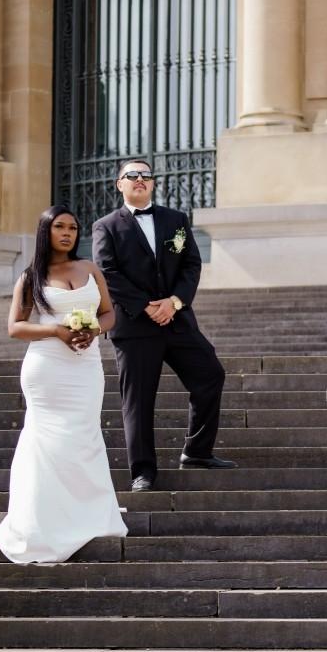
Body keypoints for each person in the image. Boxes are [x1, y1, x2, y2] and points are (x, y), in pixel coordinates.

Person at [0, 207, 128, 563]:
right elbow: (15, 326)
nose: (67, 233)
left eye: (73, 228)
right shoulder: (32, 276)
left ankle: (85, 514)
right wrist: (57, 330)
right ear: (46, 231)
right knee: (47, 440)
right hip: (48, 368)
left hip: (86, 366)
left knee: (85, 435)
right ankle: (40, 520)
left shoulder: (90, 269)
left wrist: (94, 330)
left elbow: (109, 312)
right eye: (59, 227)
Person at [92, 158, 234, 492]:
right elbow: (107, 273)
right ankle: (142, 471)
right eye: (132, 175)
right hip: (134, 327)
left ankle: (197, 452)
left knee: (210, 374)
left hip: (177, 321)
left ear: (153, 183)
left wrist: (174, 302)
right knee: (138, 400)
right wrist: (146, 306)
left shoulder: (176, 219)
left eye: (145, 175)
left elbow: (191, 265)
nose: (140, 179)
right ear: (120, 184)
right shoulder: (106, 226)